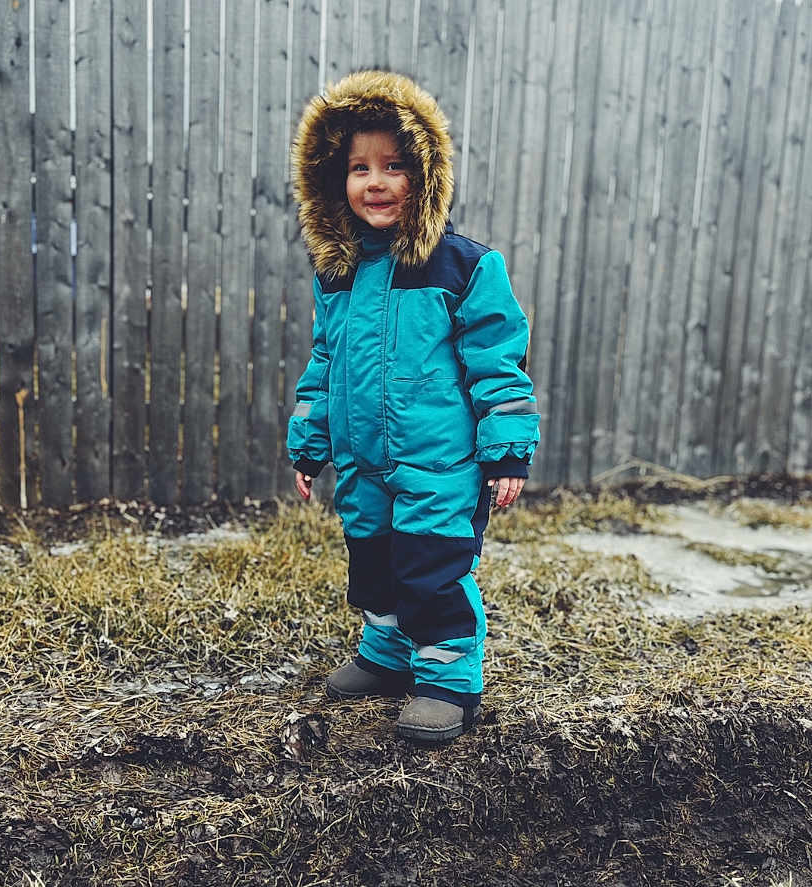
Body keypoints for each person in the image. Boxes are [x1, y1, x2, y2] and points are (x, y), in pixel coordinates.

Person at [287, 70, 539, 743]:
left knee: (430, 567)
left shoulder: (463, 266)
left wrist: (507, 448)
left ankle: (449, 678)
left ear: (424, 176)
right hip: (362, 460)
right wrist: (309, 441)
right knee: (372, 561)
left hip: (438, 461)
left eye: (394, 166)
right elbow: (325, 360)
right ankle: (387, 653)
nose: (375, 182)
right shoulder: (337, 272)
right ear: (332, 180)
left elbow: (497, 362)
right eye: (359, 168)